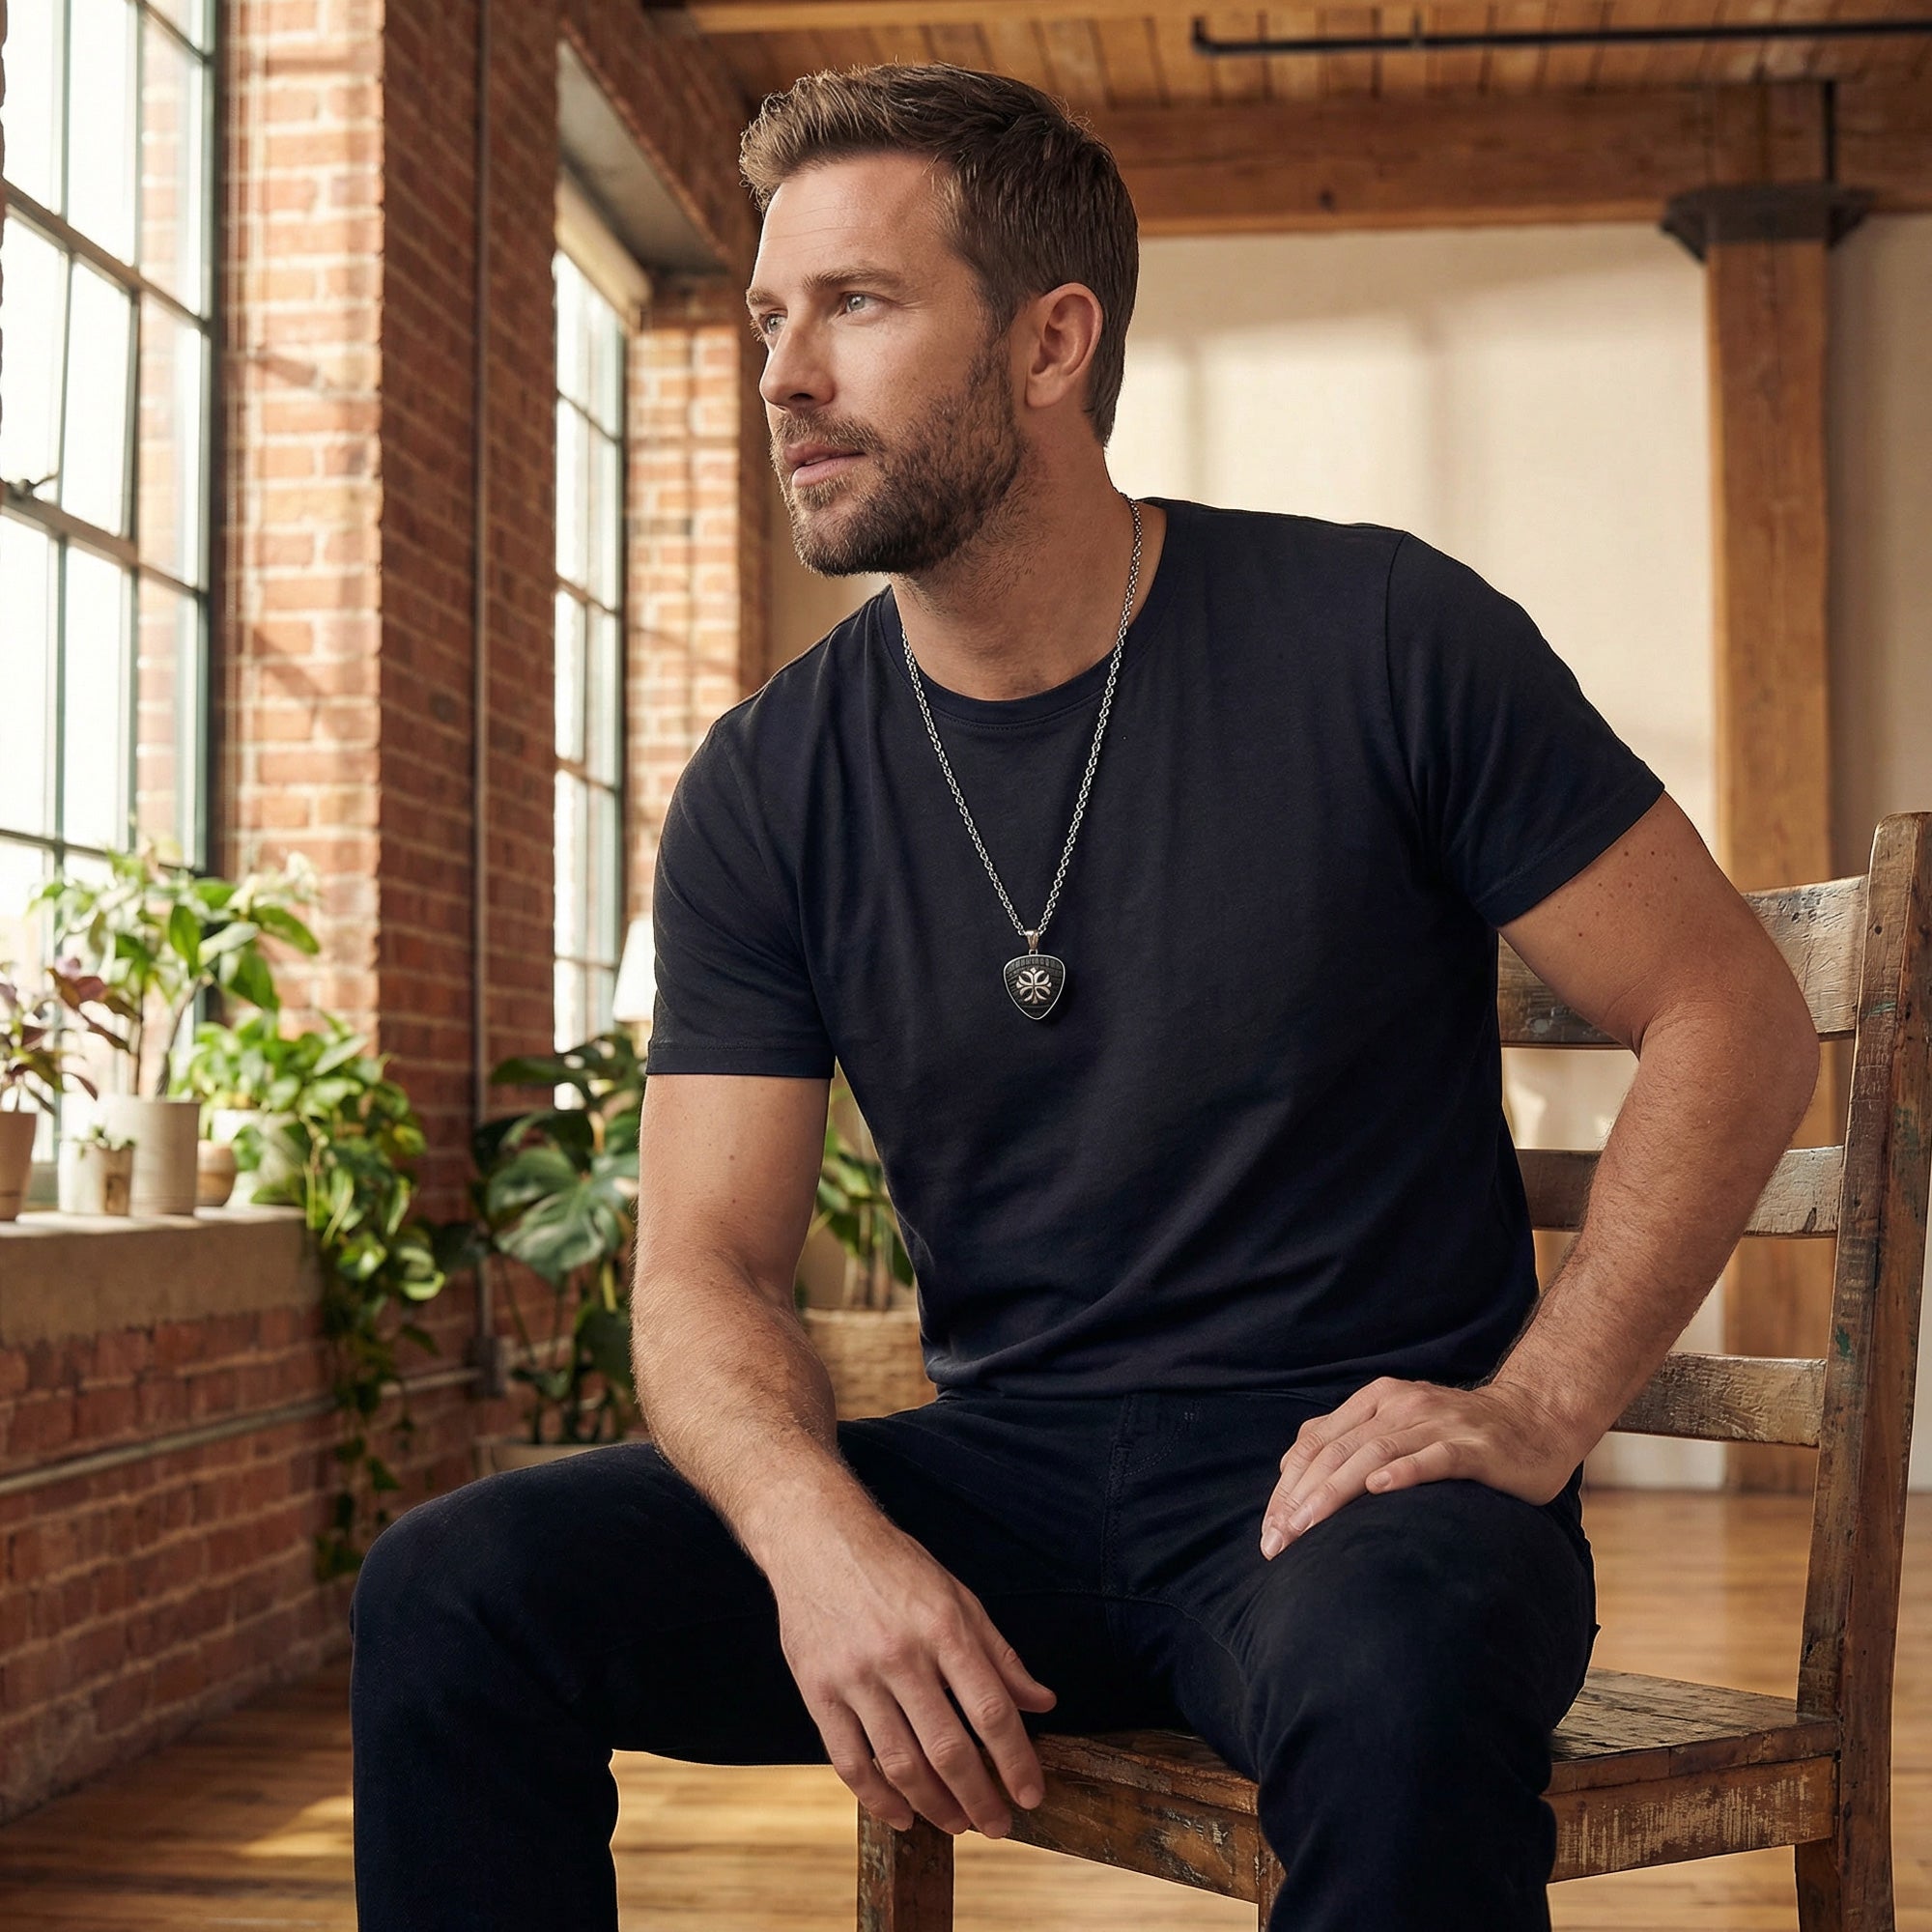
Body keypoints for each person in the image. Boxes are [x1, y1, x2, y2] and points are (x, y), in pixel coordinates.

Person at [349, 64, 1820, 1931]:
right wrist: (825, 1548)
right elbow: (702, 1268)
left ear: (1054, 343)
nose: (785, 376)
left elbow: (1732, 1017)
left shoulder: (1379, 635)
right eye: (773, 319)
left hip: (1343, 1495)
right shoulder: (765, 785)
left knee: (1399, 1670)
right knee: (453, 1589)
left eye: (858, 307)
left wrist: (1533, 1415)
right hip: (1002, 1487)